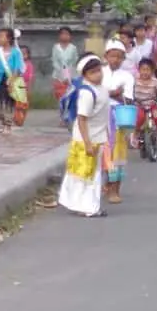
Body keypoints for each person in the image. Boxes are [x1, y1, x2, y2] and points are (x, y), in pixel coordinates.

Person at [57, 54, 110, 218]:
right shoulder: (87, 93)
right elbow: (82, 119)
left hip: (97, 138)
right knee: (88, 175)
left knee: (84, 173)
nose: (98, 75)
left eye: (99, 70)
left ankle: (78, 204)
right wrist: (87, 143)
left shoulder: (101, 89)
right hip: (87, 139)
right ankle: (89, 207)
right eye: (93, 72)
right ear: (85, 75)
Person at [103, 40, 134, 205]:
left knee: (117, 155)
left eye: (119, 57)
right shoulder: (99, 72)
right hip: (99, 116)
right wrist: (114, 92)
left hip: (118, 117)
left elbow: (127, 99)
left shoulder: (127, 76)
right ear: (106, 56)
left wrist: (113, 95)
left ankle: (115, 189)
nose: (115, 60)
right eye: (112, 55)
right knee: (101, 152)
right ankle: (105, 184)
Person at [0, 28, 24, 135]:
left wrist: (11, 80)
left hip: (11, 80)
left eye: (2, 36)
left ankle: (8, 125)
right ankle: (0, 122)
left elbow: (18, 68)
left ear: (9, 38)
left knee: (9, 103)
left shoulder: (15, 52)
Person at [131, 58, 157, 146]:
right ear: (139, 70)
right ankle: (135, 134)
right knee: (139, 117)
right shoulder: (135, 80)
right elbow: (129, 88)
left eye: (148, 70)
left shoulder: (154, 81)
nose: (145, 72)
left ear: (152, 71)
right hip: (139, 104)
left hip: (151, 104)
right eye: (143, 69)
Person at [51, 27, 79, 104]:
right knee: (60, 95)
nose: (64, 36)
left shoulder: (73, 48)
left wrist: (67, 75)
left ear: (70, 36)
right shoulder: (56, 47)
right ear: (59, 36)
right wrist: (61, 73)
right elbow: (54, 61)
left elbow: (74, 61)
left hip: (70, 74)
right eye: (62, 34)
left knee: (70, 94)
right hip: (58, 74)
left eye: (67, 34)